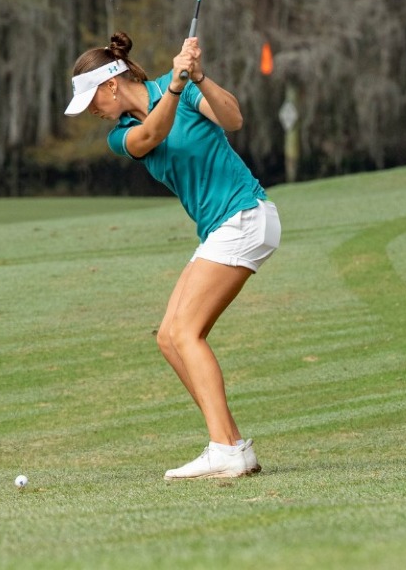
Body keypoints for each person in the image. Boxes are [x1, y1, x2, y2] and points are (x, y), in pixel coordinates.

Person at [64, 31, 279, 480]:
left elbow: (233, 118)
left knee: (186, 332)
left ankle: (224, 448)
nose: (93, 113)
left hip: (243, 215)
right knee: (169, 337)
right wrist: (179, 86)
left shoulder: (180, 85)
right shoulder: (122, 135)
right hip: (221, 228)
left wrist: (198, 77)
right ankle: (233, 443)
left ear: (110, 85)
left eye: (92, 102)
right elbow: (152, 134)